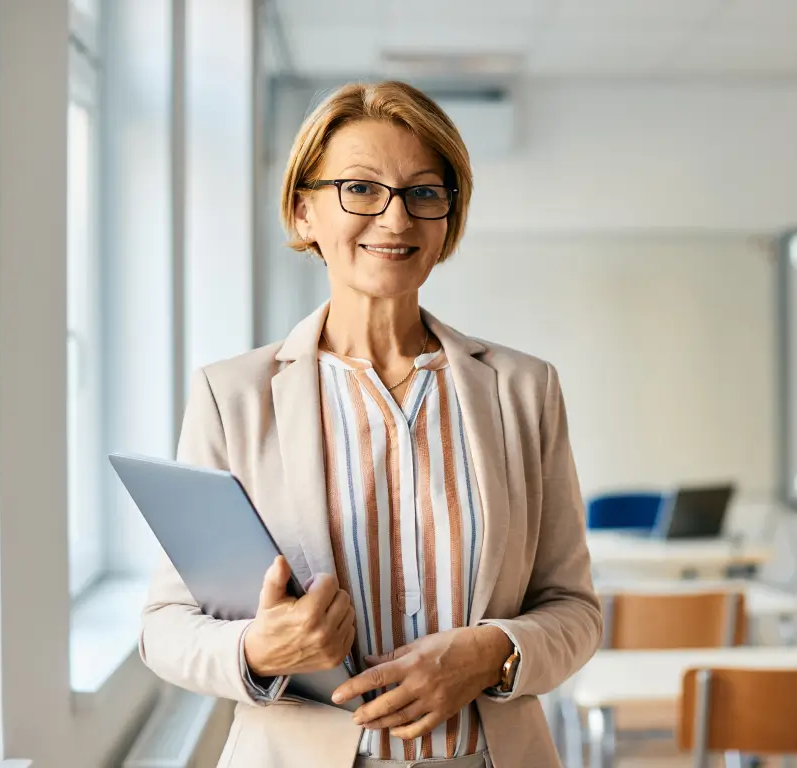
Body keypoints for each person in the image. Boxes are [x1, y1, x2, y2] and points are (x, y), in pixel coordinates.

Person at [139, 80, 602, 768]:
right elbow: (166, 627)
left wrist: (493, 652)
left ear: (448, 219)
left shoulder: (523, 390)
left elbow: (574, 609)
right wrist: (259, 649)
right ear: (304, 214)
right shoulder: (231, 396)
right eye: (360, 188)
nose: (395, 218)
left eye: (424, 192)